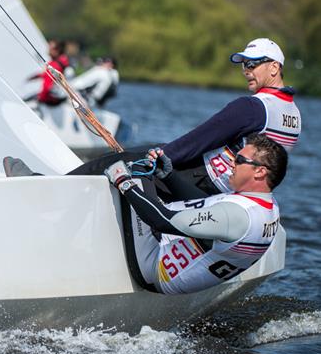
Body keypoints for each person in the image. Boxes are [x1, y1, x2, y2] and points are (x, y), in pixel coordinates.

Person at [67, 38, 301, 196]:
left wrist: (156, 158)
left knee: (113, 162)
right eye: (243, 65)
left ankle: (56, 187)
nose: (246, 70)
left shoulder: (251, 107)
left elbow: (197, 141)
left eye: (252, 64)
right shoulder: (294, 114)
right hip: (236, 190)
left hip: (202, 179)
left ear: (274, 68)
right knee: (141, 151)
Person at [104, 134, 287, 295]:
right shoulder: (268, 206)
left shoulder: (237, 215)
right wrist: (169, 177)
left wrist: (123, 181)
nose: (231, 163)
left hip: (151, 265)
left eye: (239, 160)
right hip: (171, 261)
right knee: (141, 173)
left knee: (131, 166)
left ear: (260, 171)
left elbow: (162, 221)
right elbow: (209, 206)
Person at [27, 39, 72, 106]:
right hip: (54, 99)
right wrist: (37, 76)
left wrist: (40, 98)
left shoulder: (55, 65)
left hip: (50, 101)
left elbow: (47, 86)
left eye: (50, 48)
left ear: (57, 50)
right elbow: (48, 75)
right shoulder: (60, 62)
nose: (48, 50)